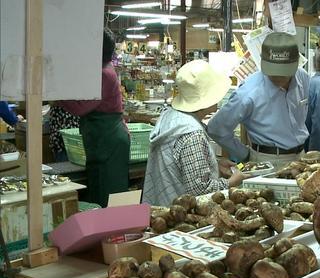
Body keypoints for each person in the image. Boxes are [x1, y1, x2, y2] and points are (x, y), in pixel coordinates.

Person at [143, 60, 247, 207]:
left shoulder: (171, 116)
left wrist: (214, 165)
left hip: (162, 209)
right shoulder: (192, 134)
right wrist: (232, 182)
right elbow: (200, 190)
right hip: (182, 216)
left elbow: (181, 163)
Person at [208, 32, 310, 168]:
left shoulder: (303, 78)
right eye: (273, 71)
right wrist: (244, 154)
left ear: (296, 63)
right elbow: (217, 128)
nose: (279, 77)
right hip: (267, 160)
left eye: (285, 71)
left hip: (301, 157)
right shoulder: (248, 93)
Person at [57, 28, 130, 207]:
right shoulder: (101, 69)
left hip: (110, 140)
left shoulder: (104, 73)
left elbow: (82, 108)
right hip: (102, 139)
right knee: (98, 189)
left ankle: (113, 233)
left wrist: (57, 95)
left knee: (109, 196)